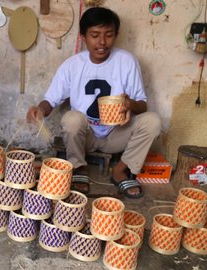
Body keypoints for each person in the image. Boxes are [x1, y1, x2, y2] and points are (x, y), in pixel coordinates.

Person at [27, 7, 161, 199]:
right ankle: (80, 168)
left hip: (116, 133)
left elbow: (142, 105)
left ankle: (120, 171)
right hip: (86, 136)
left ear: (116, 35)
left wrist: (129, 104)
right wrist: (39, 110)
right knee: (72, 118)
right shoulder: (72, 65)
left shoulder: (127, 62)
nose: (102, 42)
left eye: (109, 35)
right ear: (83, 36)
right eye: (95, 35)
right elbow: (51, 100)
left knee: (153, 121)